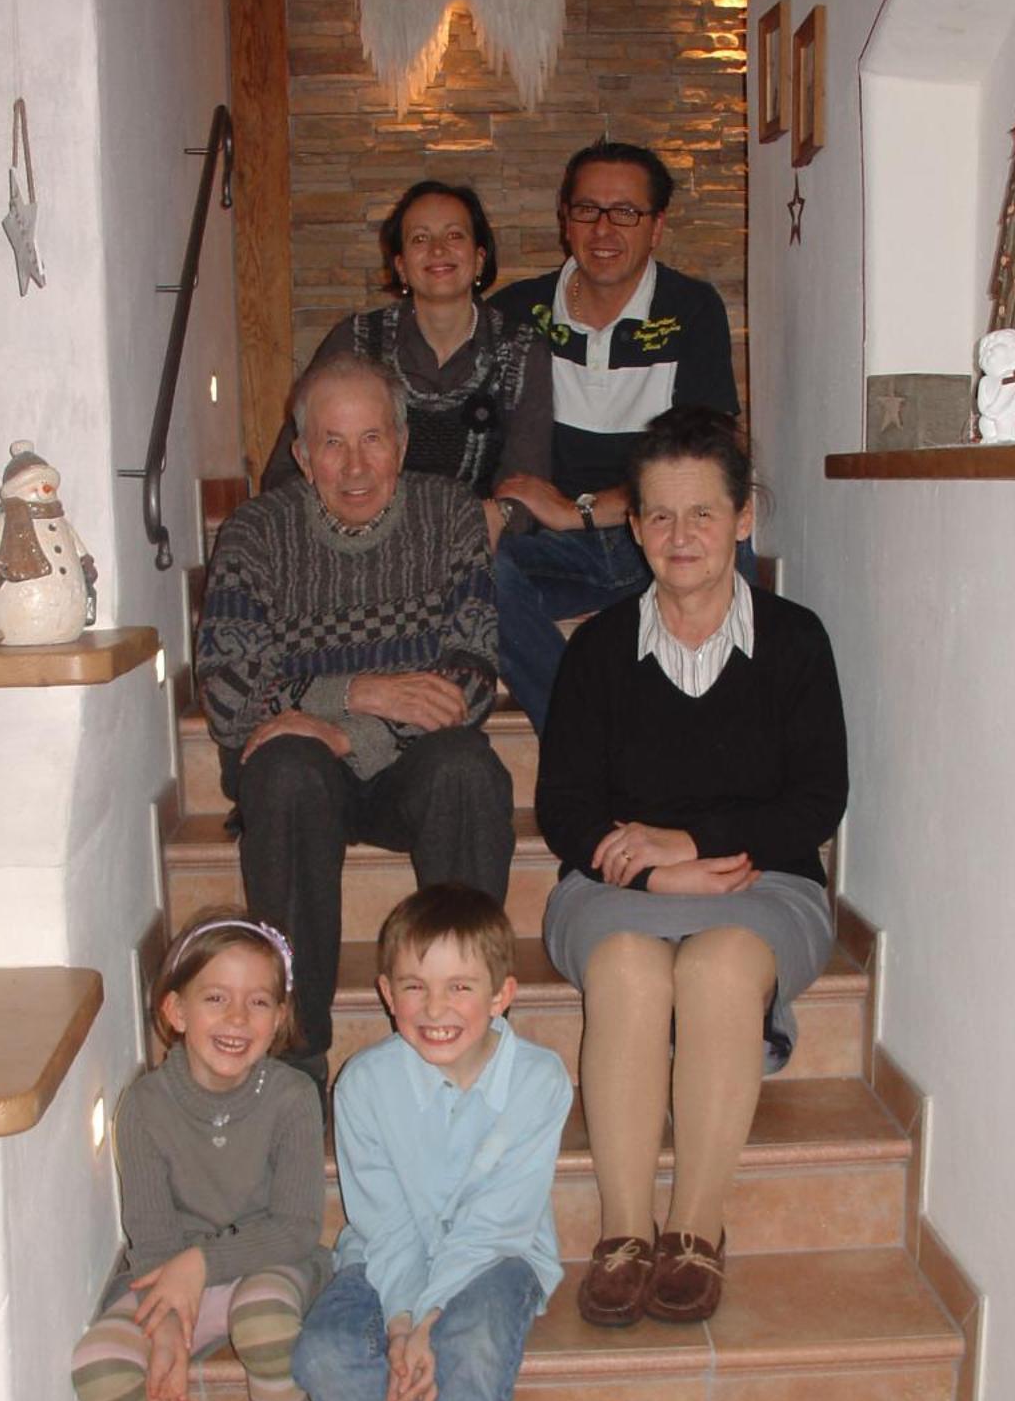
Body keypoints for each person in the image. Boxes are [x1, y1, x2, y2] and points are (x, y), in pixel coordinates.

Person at [534, 407, 848, 1328]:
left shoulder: (795, 642)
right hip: (612, 884)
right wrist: (650, 875)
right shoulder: (597, 649)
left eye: (702, 514)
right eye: (660, 517)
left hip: (766, 880)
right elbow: (565, 813)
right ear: (634, 528)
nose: (681, 538)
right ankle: (627, 1233)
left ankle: (697, 1228)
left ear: (743, 518)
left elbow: (813, 804)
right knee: (630, 966)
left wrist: (690, 843)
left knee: (716, 968)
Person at [196, 352, 515, 1091]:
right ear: (302, 455)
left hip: (414, 769)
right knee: (281, 772)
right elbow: (230, 697)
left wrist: (343, 726)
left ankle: (464, 1040)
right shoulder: (253, 533)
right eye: (332, 444)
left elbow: (467, 682)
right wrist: (361, 692)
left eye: (373, 439)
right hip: (308, 778)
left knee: (468, 768)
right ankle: (298, 1057)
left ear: (402, 445)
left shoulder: (449, 518)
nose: (356, 465)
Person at [293, 885, 571, 1401]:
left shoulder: (539, 1080)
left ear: (502, 995)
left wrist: (430, 1326)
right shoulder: (365, 1083)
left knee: (474, 1344)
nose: (436, 1008)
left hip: (498, 1264)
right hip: (381, 1264)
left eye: (460, 988)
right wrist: (408, 1317)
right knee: (321, 1356)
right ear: (385, 994)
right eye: (414, 986)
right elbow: (384, 1225)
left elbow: (493, 1227)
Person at [70, 911, 330, 1401]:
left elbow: (296, 1229)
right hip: (177, 1274)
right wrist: (165, 1334)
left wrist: (200, 1266)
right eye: (216, 998)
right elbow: (156, 1243)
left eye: (258, 1002)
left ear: (280, 1018)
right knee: (97, 1370)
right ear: (177, 1011)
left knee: (265, 1312)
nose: (238, 1019)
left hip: (273, 1265)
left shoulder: (294, 1097)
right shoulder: (146, 1107)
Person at [488, 138, 744, 730]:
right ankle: (585, 732)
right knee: (469, 567)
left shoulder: (690, 309)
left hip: (650, 538)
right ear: (565, 220)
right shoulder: (520, 313)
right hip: (556, 556)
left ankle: (719, 729)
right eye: (587, 210)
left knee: (725, 534)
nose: (603, 229)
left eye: (625, 212)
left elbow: (707, 459)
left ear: (656, 227)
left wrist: (575, 510)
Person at [262, 179, 552, 535]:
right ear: (400, 266)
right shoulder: (355, 340)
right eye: (419, 238)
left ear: (479, 258)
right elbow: (285, 471)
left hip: (472, 537)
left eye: (455, 236)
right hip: (363, 535)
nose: (437, 250)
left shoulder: (522, 351)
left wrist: (494, 521)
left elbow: (525, 486)